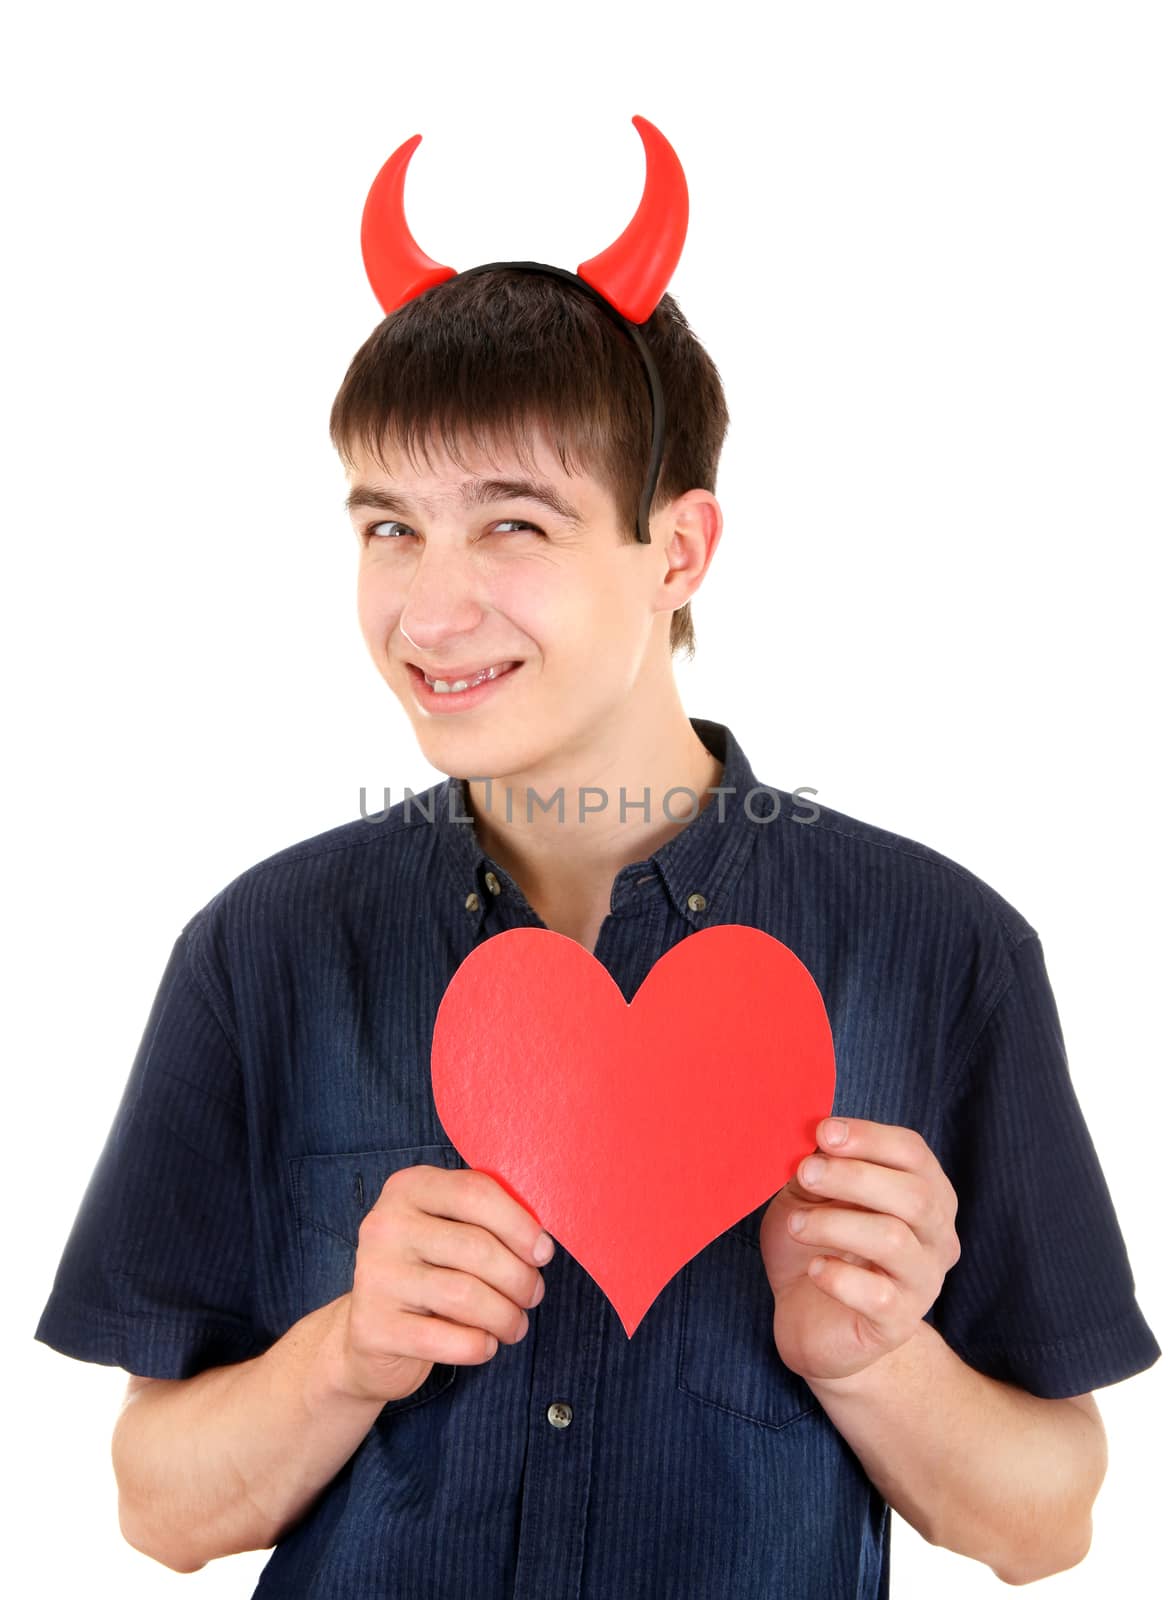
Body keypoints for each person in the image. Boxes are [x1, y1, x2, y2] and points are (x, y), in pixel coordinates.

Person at [33, 118, 1161, 1599]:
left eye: (512, 522)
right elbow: (158, 1509)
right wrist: (347, 1351)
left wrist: (878, 1362)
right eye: (389, 526)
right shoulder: (265, 949)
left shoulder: (938, 950)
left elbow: (1048, 1521)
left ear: (679, 551)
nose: (427, 615)